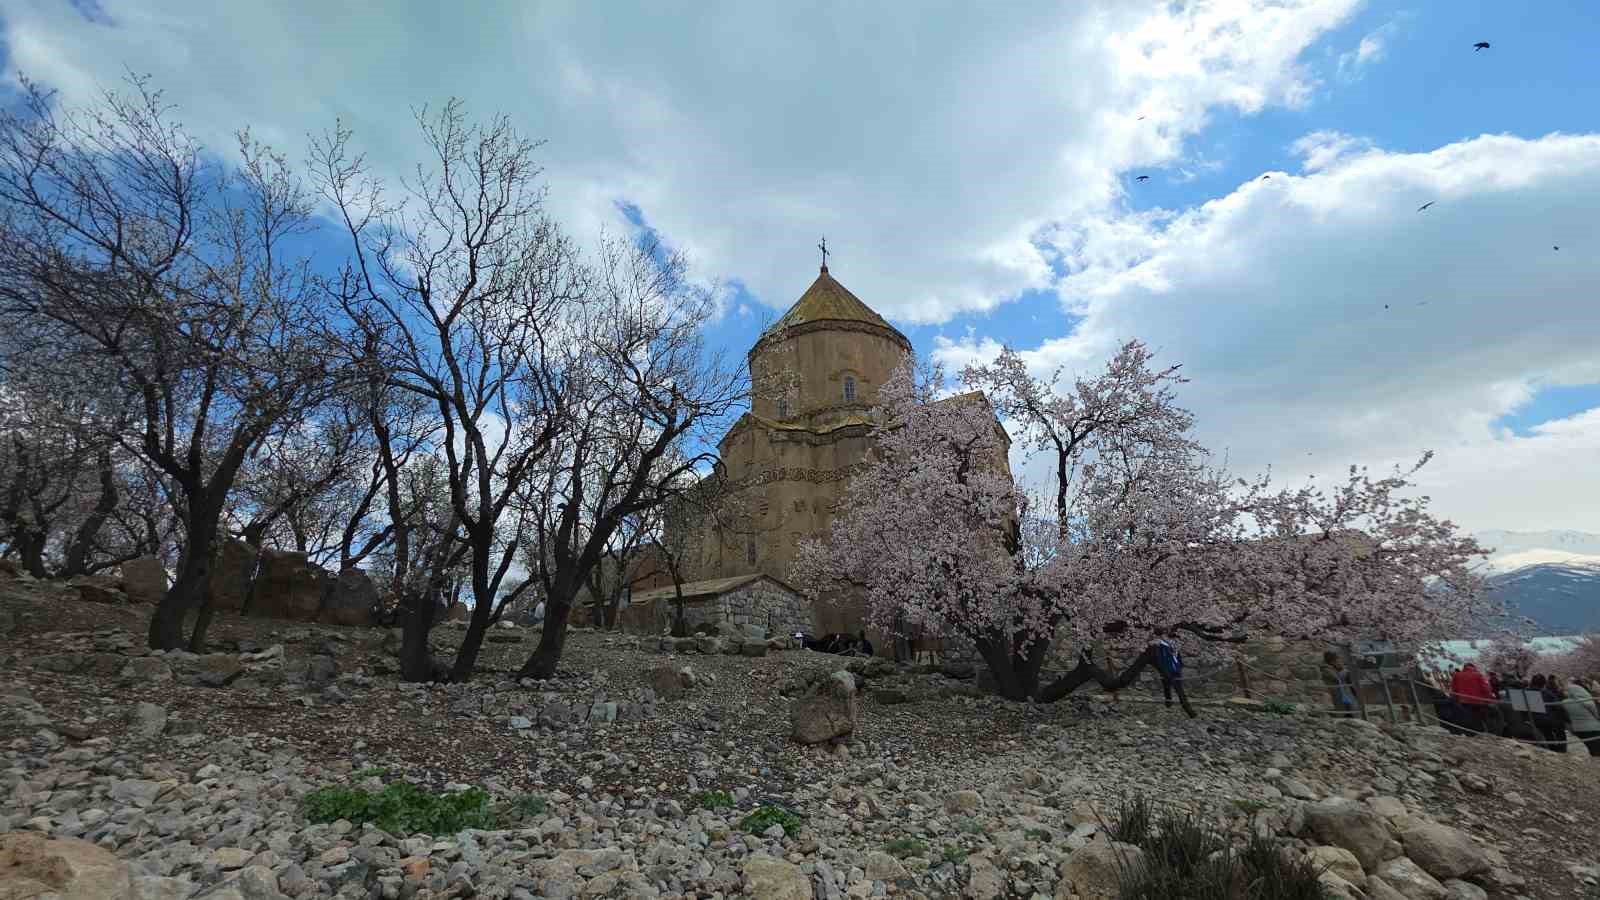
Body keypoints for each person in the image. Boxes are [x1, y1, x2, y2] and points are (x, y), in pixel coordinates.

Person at [1150, 636, 1196, 719]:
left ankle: (1187, 708)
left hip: (1175, 671)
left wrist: (1179, 665)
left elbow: (1178, 658)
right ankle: (1168, 704)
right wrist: (1163, 670)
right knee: (1167, 688)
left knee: (1179, 690)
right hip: (1167, 671)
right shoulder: (1162, 647)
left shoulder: (1174, 648)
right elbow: (1161, 660)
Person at [1450, 662, 1495, 734]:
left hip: (1464, 701)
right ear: (1473, 667)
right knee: (1480, 717)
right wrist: (1491, 699)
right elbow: (1485, 689)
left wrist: (1455, 699)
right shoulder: (1478, 675)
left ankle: (1471, 732)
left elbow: (1454, 689)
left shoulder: (1457, 675)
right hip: (1479, 702)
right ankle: (1482, 731)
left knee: (1468, 717)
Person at [1532, 674, 1569, 752]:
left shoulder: (1527, 692)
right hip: (1550, 719)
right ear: (1544, 683)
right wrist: (1566, 718)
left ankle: (1553, 749)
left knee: (1548, 735)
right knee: (1560, 731)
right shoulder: (1546, 693)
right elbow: (1558, 706)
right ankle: (1562, 750)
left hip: (1536, 719)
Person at [1565, 677, 1600, 757]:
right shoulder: (1588, 701)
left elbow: (1566, 716)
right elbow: (1596, 715)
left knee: (1590, 745)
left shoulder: (1564, 703)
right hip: (1593, 727)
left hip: (1577, 728)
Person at [1321, 651, 1358, 717]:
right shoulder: (1326, 669)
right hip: (1337, 692)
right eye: (1336, 660)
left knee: (1351, 709)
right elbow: (1337, 678)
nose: (1339, 662)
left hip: (1345, 692)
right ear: (1332, 661)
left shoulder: (1335, 668)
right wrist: (1344, 670)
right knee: (1343, 711)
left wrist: (1341, 669)